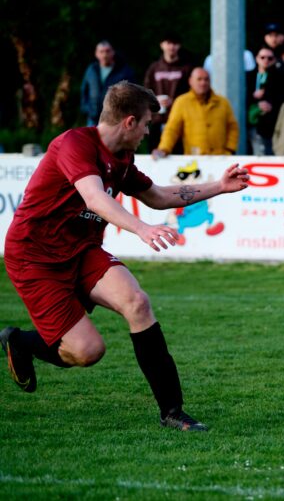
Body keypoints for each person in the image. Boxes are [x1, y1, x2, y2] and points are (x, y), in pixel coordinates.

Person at [0, 81, 250, 431]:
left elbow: (159, 196)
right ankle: (20, 341)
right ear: (129, 122)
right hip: (34, 257)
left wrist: (219, 187)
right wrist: (141, 228)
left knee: (137, 302)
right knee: (87, 352)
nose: (149, 132)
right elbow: (94, 198)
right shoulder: (74, 144)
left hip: (81, 250)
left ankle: (173, 412)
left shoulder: (122, 159)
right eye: (147, 124)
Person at [152, 68, 239, 158]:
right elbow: (172, 129)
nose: (203, 83)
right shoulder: (182, 102)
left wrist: (230, 149)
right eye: (199, 79)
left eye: (206, 79)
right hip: (194, 159)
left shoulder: (223, 102)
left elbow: (233, 127)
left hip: (220, 158)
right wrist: (163, 149)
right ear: (190, 81)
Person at [143, 32, 194, 152]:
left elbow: (193, 93)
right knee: (155, 155)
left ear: (179, 46)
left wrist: (175, 102)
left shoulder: (187, 68)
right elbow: (144, 92)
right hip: (156, 121)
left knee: (178, 157)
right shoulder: (154, 68)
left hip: (179, 122)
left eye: (175, 44)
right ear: (162, 45)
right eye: (168, 43)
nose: (171, 47)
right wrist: (155, 101)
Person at [80, 41, 135, 126]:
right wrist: (87, 108)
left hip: (114, 119)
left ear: (113, 52)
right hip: (93, 118)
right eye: (101, 52)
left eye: (107, 51)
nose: (104, 55)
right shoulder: (92, 70)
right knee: (92, 139)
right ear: (96, 54)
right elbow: (84, 90)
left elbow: (132, 93)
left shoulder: (123, 71)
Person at [247, 47, 284, 156]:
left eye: (270, 58)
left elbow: (283, 98)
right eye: (262, 57)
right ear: (256, 59)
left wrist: (270, 105)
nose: (266, 60)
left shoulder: (280, 77)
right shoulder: (248, 76)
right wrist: (254, 99)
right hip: (251, 123)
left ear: (274, 60)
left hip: (271, 124)